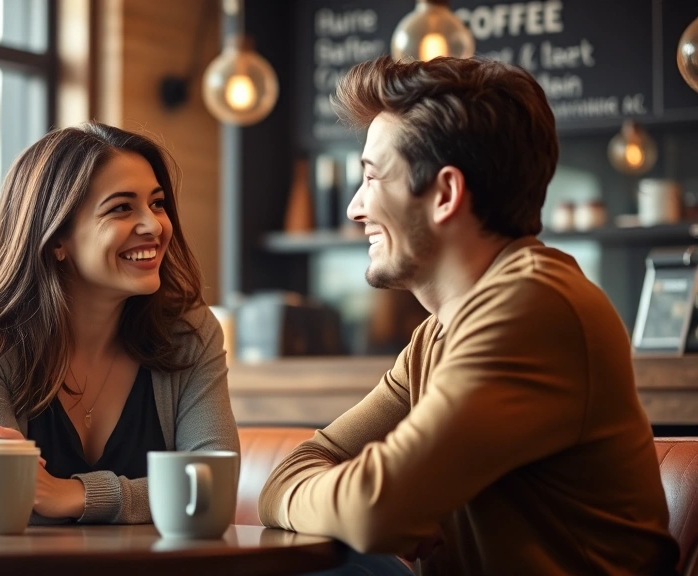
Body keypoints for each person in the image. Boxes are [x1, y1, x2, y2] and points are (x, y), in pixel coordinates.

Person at [258, 55, 680, 575]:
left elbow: (373, 508)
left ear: (446, 194)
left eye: (371, 179)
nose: (354, 208)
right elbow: (294, 473)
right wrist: (363, 506)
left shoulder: (535, 307)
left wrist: (373, 507)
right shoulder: (437, 334)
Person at [0, 123, 238, 524]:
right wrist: (154, 497)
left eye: (156, 203)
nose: (154, 225)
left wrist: (74, 495)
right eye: (121, 207)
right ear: (56, 238)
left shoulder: (189, 331)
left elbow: (210, 490)